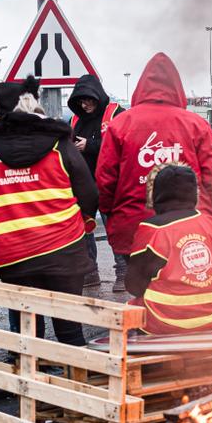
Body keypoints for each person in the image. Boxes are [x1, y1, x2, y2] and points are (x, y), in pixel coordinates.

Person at [0, 80, 97, 346]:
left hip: (12, 253)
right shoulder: (60, 145)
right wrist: (82, 220)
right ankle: (75, 378)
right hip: (64, 247)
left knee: (27, 323)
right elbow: (89, 194)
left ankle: (28, 373)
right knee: (68, 324)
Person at [97, 53, 212, 293]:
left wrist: (111, 213)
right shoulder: (196, 124)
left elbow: (105, 180)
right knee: (188, 288)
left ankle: (147, 325)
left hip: (133, 227)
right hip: (191, 225)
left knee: (143, 291)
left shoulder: (120, 125)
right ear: (177, 88)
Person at [125, 164, 212, 335]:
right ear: (193, 194)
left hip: (163, 321)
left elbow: (134, 286)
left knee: (129, 309)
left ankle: (148, 361)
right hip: (211, 318)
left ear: (156, 194)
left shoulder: (153, 229)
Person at [67, 74, 122, 290]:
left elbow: (122, 144)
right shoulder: (74, 120)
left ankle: (123, 271)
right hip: (84, 185)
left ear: (98, 97)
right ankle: (90, 272)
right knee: (85, 230)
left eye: (89, 100)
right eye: (81, 101)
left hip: (110, 182)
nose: (85, 104)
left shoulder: (116, 113)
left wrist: (90, 145)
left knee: (115, 229)